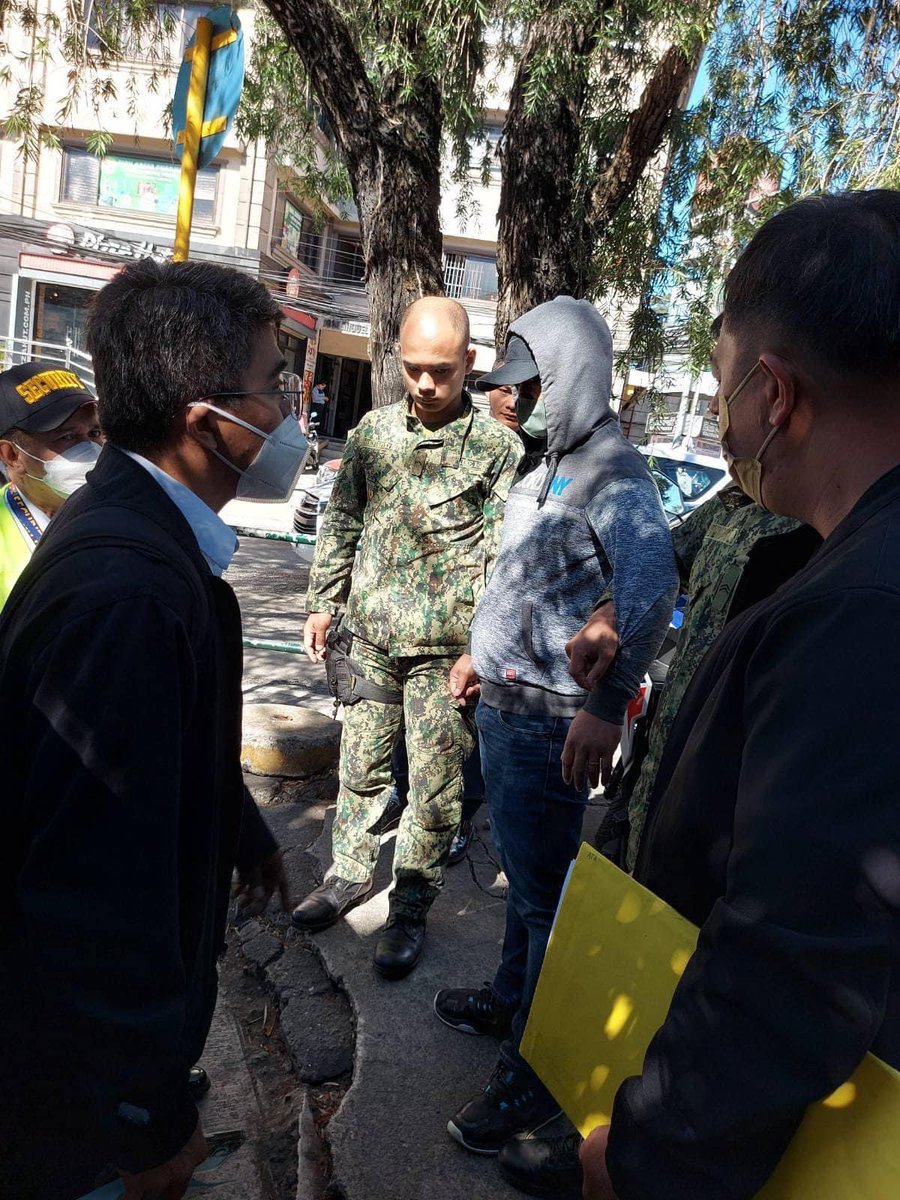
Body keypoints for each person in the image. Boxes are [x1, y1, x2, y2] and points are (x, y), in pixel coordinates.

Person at [580, 190, 900, 1200]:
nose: (720, 420)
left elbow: (796, 952)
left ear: (775, 394)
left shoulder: (867, 607)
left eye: (720, 386)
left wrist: (647, 1159)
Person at [0, 259, 298, 1200]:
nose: (289, 413)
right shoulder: (127, 595)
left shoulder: (147, 542)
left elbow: (151, 762)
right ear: (205, 418)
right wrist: (146, 1122)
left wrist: (237, 829)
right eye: (272, 388)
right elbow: (93, 896)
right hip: (65, 1108)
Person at [438, 295, 678, 1159]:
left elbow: (653, 591)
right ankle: (512, 1001)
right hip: (505, 704)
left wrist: (606, 705)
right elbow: (523, 580)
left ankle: (532, 1069)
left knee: (545, 903)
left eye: (528, 384)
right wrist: (476, 652)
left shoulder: (615, 472)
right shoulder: (550, 464)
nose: (511, 398)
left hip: (550, 726)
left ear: (571, 378)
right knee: (527, 881)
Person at [293, 296, 521, 980]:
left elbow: (511, 559)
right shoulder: (371, 433)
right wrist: (323, 602)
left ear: (469, 365)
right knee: (360, 769)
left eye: (442, 371)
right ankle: (350, 874)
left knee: (434, 788)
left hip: (444, 658)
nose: (425, 384)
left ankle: (412, 910)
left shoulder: (496, 449)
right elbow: (342, 521)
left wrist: (485, 647)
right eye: (415, 368)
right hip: (370, 640)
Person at [0, 363, 102, 607]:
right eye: (67, 437)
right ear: (12, 455)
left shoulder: (122, 514)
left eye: (95, 433)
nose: (90, 450)